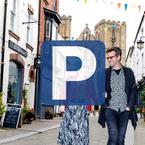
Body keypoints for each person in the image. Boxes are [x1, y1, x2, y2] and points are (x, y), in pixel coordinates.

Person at [98, 47, 138, 145]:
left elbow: (133, 90)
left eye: (111, 57)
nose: (109, 60)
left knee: (120, 139)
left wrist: (129, 106)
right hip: (110, 110)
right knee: (113, 137)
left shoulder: (128, 72)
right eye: (108, 58)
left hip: (124, 110)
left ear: (119, 57)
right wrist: (105, 105)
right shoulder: (105, 73)